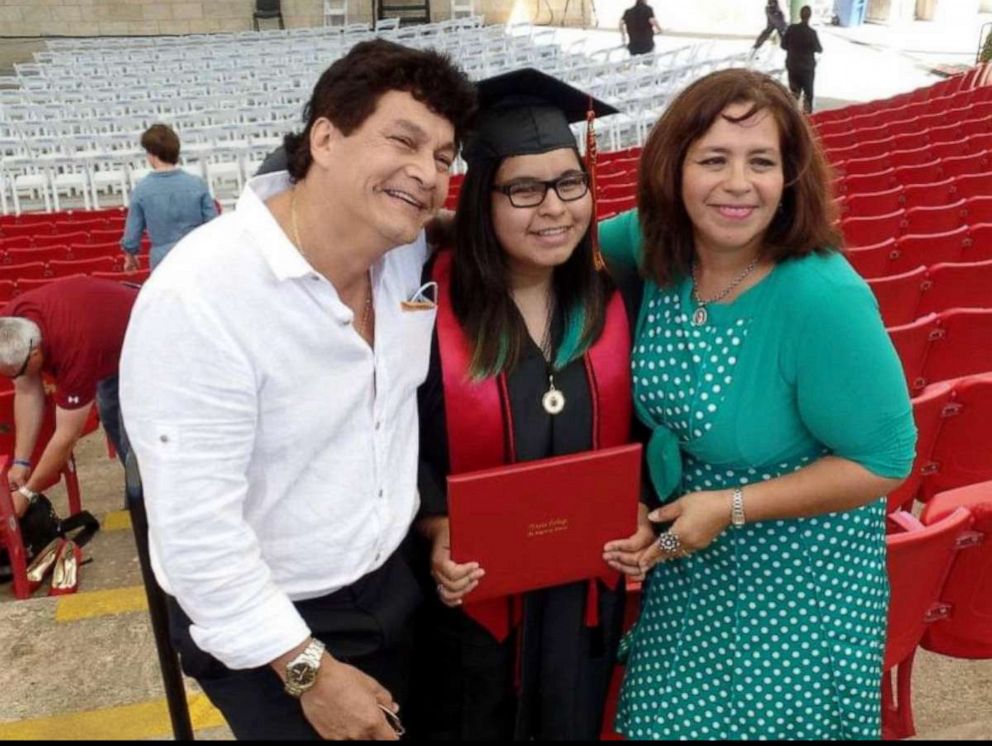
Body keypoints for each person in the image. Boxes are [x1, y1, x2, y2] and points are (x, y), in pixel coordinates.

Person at [119, 40, 476, 740]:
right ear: (326, 137)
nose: (427, 172)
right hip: (271, 623)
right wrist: (307, 668)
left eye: (442, 157)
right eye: (403, 140)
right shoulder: (200, 298)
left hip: (390, 583)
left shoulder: (398, 250)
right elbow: (198, 541)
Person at [599, 68, 916, 739]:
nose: (738, 184)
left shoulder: (822, 297)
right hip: (691, 575)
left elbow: (887, 460)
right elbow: (553, 241)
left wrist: (733, 506)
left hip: (801, 599)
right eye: (713, 159)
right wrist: (435, 227)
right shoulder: (658, 243)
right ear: (673, 168)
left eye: (761, 162)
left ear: (789, 176)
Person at [409, 68, 656, 741]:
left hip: (582, 600)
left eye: (569, 183)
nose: (554, 207)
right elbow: (396, 441)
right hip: (470, 608)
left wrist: (639, 508)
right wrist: (435, 530)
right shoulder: (424, 303)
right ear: (483, 197)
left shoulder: (617, 296)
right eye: (524, 188)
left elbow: (645, 433)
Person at [0, 276, 138, 518]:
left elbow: (66, 436)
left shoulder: (75, 352)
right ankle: (137, 488)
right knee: (109, 414)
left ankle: (145, 497)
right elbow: (26, 390)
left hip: (138, 336)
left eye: (20, 371)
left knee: (134, 434)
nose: (19, 377)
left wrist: (28, 493)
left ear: (34, 353)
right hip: (101, 333)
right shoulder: (13, 324)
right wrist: (21, 464)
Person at [120, 123, 219, 271]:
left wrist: (131, 256)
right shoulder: (197, 184)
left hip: (162, 261)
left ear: (152, 154)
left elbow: (132, 235)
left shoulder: (141, 190)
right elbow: (214, 226)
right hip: (197, 257)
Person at [782, 5, 823, 113]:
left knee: (794, 93)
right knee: (808, 94)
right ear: (809, 16)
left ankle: (793, 117)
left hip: (793, 66)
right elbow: (819, 49)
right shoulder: (811, 33)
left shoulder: (791, 29)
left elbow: (783, 45)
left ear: (800, 15)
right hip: (807, 68)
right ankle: (807, 117)